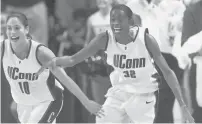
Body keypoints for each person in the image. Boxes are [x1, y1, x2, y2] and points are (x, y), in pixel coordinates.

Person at [37, 4, 194, 123]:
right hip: (119, 92)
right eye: (112, 20)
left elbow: (168, 72)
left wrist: (183, 106)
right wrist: (54, 61)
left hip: (143, 94)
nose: (116, 24)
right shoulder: (104, 38)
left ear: (130, 22)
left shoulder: (145, 39)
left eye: (120, 20)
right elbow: (73, 59)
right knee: (103, 119)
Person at [0, 12, 103, 123]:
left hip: (48, 100)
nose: (12, 32)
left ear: (26, 29)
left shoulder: (40, 52)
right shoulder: (3, 49)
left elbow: (65, 79)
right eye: (9, 28)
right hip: (24, 103)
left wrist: (87, 102)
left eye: (17, 28)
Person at [84, 0, 112, 105]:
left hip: (117, 65)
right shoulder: (92, 19)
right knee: (100, 103)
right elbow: (88, 43)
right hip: (99, 67)